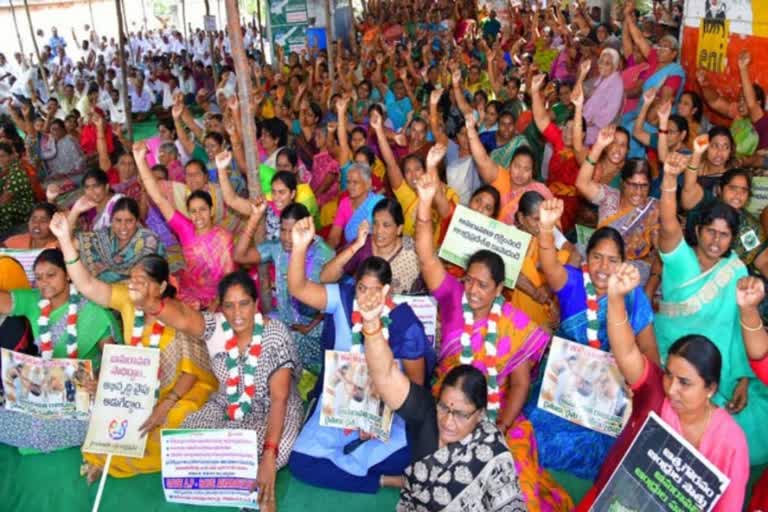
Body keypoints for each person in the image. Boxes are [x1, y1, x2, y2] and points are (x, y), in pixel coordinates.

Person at [414, 170, 572, 510]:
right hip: (449, 412)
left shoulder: (513, 322)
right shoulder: (453, 297)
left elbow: (519, 384)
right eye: (469, 281)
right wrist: (425, 205)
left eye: (483, 285)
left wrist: (498, 427)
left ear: (501, 289)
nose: (472, 290)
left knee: (517, 490)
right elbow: (427, 257)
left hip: (498, 415)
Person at [50, 212, 216, 481]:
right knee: (106, 418)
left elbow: (191, 372)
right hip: (137, 389)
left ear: (161, 287)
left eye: (142, 282)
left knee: (173, 423)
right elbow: (87, 284)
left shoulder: (177, 313)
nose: (133, 286)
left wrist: (164, 405)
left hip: (180, 391)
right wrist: (64, 241)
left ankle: (120, 460)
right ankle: (103, 459)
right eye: (132, 280)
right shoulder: (127, 302)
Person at [577, 262, 749, 512]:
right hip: (609, 501)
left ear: (710, 388)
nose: (671, 388)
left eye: (685, 383)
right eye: (669, 374)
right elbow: (625, 351)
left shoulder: (731, 442)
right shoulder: (655, 391)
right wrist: (615, 298)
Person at [287, 217, 436, 494]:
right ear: (354, 287)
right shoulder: (342, 301)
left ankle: (350, 461)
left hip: (388, 416)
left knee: (410, 455)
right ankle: (380, 480)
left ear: (388, 291)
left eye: (375, 290)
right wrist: (298, 247)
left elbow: (415, 394)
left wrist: (378, 420)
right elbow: (298, 288)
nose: (367, 297)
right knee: (300, 462)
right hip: (339, 410)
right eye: (362, 289)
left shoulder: (406, 323)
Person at [139, 270, 303, 512]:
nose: (237, 314)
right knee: (185, 438)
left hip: (274, 407)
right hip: (228, 403)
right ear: (221, 308)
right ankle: (236, 470)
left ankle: (254, 487)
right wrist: (151, 303)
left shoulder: (275, 334)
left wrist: (269, 455)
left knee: (276, 452)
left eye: (244, 304)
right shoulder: (216, 327)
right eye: (229, 306)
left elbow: (279, 398)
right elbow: (184, 317)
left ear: (256, 304)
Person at [524, 198, 657, 480]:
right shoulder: (572, 282)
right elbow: (549, 265)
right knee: (533, 436)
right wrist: (546, 229)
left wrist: (641, 388)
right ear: (586, 258)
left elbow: (649, 352)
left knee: (612, 453)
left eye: (612, 260)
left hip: (609, 397)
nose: (603, 267)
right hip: (562, 388)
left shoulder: (634, 297)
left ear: (623, 264)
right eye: (597, 257)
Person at [655, 152, 768, 466]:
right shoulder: (679, 260)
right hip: (669, 361)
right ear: (698, 230)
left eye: (725, 235)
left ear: (733, 239)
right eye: (711, 232)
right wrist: (668, 180)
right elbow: (667, 224)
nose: (716, 241)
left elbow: (737, 328)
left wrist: (744, 378)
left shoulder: (736, 271)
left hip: (719, 370)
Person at [364, 319, 526, 510]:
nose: (448, 421)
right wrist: (371, 327)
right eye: (443, 407)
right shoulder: (427, 413)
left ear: (480, 414)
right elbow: (386, 375)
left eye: (460, 415)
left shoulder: (491, 445)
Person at [0, 249, 120, 453]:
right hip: (42, 386)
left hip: (80, 391)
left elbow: (114, 358)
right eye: (38, 278)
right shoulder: (33, 299)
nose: (44, 282)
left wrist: (100, 382)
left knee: (81, 423)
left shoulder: (92, 310)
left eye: (51, 275)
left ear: (67, 275)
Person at [234, 201, 333, 375]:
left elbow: (336, 297)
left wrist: (310, 326)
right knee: (253, 331)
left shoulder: (324, 254)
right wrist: (254, 218)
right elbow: (240, 255)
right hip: (285, 320)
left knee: (281, 349)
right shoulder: (277, 249)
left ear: (305, 230)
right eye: (283, 230)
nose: (287, 237)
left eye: (292, 231)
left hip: (314, 328)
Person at [134, 142, 234, 310]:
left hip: (218, 297)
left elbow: (229, 277)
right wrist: (140, 161)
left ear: (211, 210)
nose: (198, 216)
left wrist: (216, 304)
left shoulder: (223, 237)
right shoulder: (185, 228)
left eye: (202, 210)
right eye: (193, 211)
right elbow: (158, 198)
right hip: (191, 294)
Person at [576, 127, 660, 284]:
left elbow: (661, 251)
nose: (638, 192)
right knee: (573, 252)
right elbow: (582, 184)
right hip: (598, 263)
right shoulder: (609, 196)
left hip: (628, 273)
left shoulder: (653, 209)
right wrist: (599, 146)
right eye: (633, 185)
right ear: (622, 184)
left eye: (644, 186)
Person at [321, 198, 423, 295]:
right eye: (375, 223)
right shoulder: (364, 244)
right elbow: (325, 277)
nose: (378, 231)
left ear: (399, 229)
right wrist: (357, 245)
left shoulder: (413, 250)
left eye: (386, 225)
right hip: (363, 308)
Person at [466, 112, 552, 225]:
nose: (520, 173)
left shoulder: (540, 191)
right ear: (510, 166)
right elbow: (482, 159)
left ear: (532, 173)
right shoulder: (501, 176)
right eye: (517, 166)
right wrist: (471, 131)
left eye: (526, 169)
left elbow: (553, 226)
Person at [514, 191, 581, 328]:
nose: (541, 224)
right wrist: (540, 295)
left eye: (543, 218)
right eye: (535, 219)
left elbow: (575, 255)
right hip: (522, 307)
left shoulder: (548, 228)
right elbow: (511, 273)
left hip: (551, 303)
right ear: (521, 218)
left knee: (565, 258)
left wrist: (551, 285)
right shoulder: (510, 235)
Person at [76, 197, 166, 283]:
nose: (123, 227)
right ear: (111, 220)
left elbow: (155, 277)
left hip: (136, 293)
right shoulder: (103, 236)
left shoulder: (148, 240)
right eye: (118, 220)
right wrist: (75, 212)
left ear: (137, 221)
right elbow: (68, 243)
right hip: (101, 292)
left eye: (129, 221)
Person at [326, 162, 384, 249]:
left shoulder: (378, 203)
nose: (350, 186)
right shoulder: (344, 203)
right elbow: (334, 237)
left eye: (355, 182)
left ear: (368, 184)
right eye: (348, 182)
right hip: (351, 253)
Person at [582, 51, 624, 146]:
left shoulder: (617, 83)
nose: (602, 65)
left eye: (607, 63)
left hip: (598, 128)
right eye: (601, 61)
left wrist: (590, 122)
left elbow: (610, 111)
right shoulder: (601, 78)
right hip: (587, 121)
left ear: (615, 66)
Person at [0, 142, 35, 236]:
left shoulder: (17, 172)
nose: (0, 160)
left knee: (2, 209)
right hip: (13, 203)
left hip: (25, 206)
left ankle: (6, 236)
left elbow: (4, 200)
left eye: (2, 156)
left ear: (11, 156)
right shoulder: (6, 169)